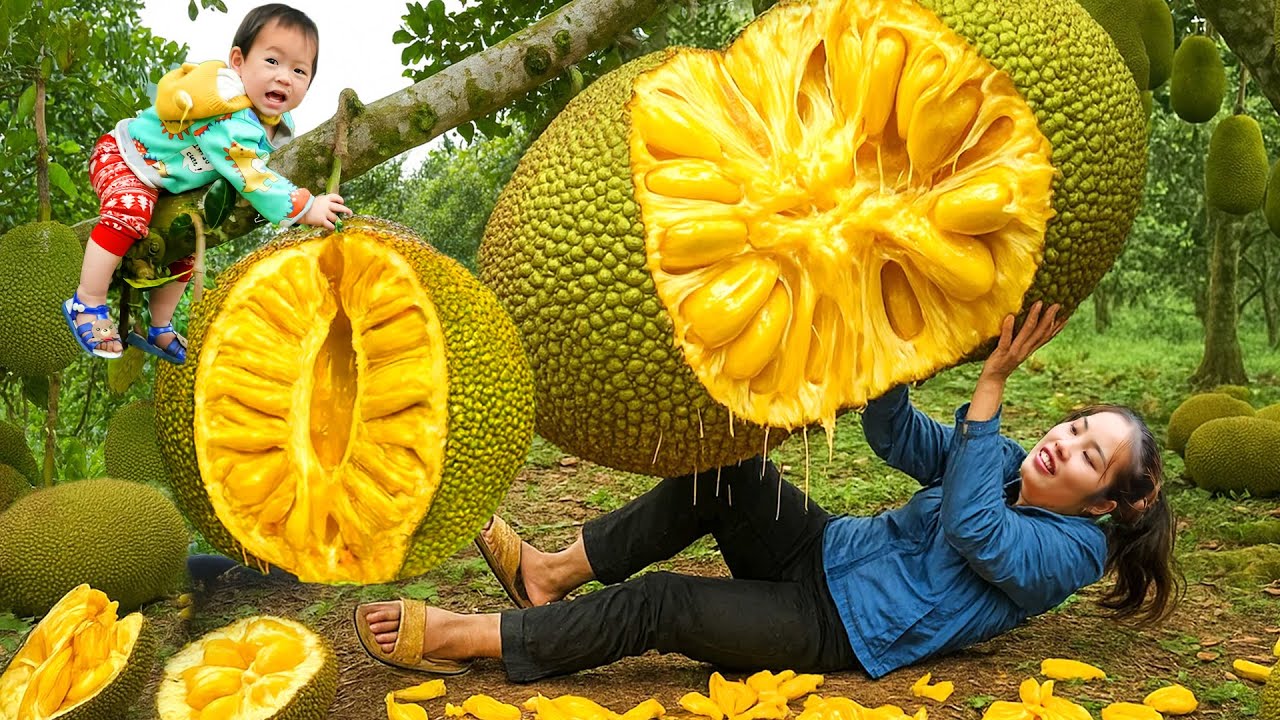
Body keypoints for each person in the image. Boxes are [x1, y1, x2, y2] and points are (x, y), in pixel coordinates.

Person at [353, 302, 1181, 681]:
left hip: (839, 629)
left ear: (1107, 502)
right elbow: (896, 437)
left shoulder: (1068, 555)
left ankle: (472, 637)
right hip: (825, 551)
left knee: (665, 605)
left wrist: (991, 386)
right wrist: (899, 357)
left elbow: (971, 533)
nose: (1061, 445)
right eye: (1073, 429)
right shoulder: (999, 460)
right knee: (727, 470)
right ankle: (549, 575)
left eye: (1087, 455)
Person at [63, 3, 349, 364]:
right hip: (125, 157)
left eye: (299, 70)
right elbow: (251, 175)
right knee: (129, 211)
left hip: (167, 181)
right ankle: (87, 301)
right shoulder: (228, 111)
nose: (284, 77)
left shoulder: (272, 119)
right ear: (238, 62)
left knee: (186, 246)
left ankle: (160, 326)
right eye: (272, 62)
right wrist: (307, 206)